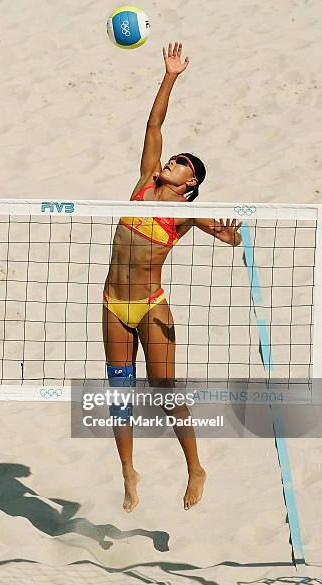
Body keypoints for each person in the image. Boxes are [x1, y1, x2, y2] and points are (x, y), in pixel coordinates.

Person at [103, 42, 242, 512]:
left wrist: (230, 237)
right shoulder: (144, 183)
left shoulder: (184, 214)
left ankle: (195, 466)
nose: (173, 160)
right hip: (112, 305)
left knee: (164, 394)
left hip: (149, 307)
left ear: (191, 185)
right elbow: (154, 125)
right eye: (176, 157)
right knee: (119, 393)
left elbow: (223, 233)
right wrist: (171, 75)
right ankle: (128, 470)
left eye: (183, 162)